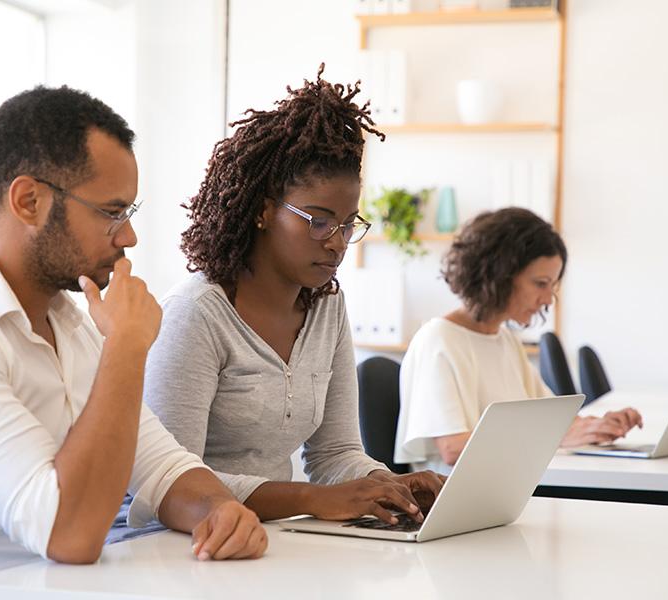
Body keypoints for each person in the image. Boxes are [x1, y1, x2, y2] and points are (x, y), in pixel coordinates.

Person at [0, 86, 266, 600]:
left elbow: (162, 465)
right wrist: (127, 346)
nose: (129, 236)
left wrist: (218, 510)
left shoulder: (69, 320)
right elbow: (66, 534)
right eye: (111, 212)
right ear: (29, 201)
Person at [141, 65, 444, 526]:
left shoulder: (327, 305)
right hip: (185, 547)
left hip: (278, 541)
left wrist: (387, 486)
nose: (337, 241)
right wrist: (311, 499)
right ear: (264, 212)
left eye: (347, 224)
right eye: (319, 221)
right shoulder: (196, 314)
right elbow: (169, 482)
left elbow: (335, 452)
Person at [394, 207, 643, 471]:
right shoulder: (439, 339)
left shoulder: (505, 339)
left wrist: (601, 425)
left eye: (552, 286)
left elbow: (552, 422)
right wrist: (558, 437)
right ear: (499, 275)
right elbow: (453, 448)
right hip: (459, 499)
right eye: (540, 283)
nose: (548, 299)